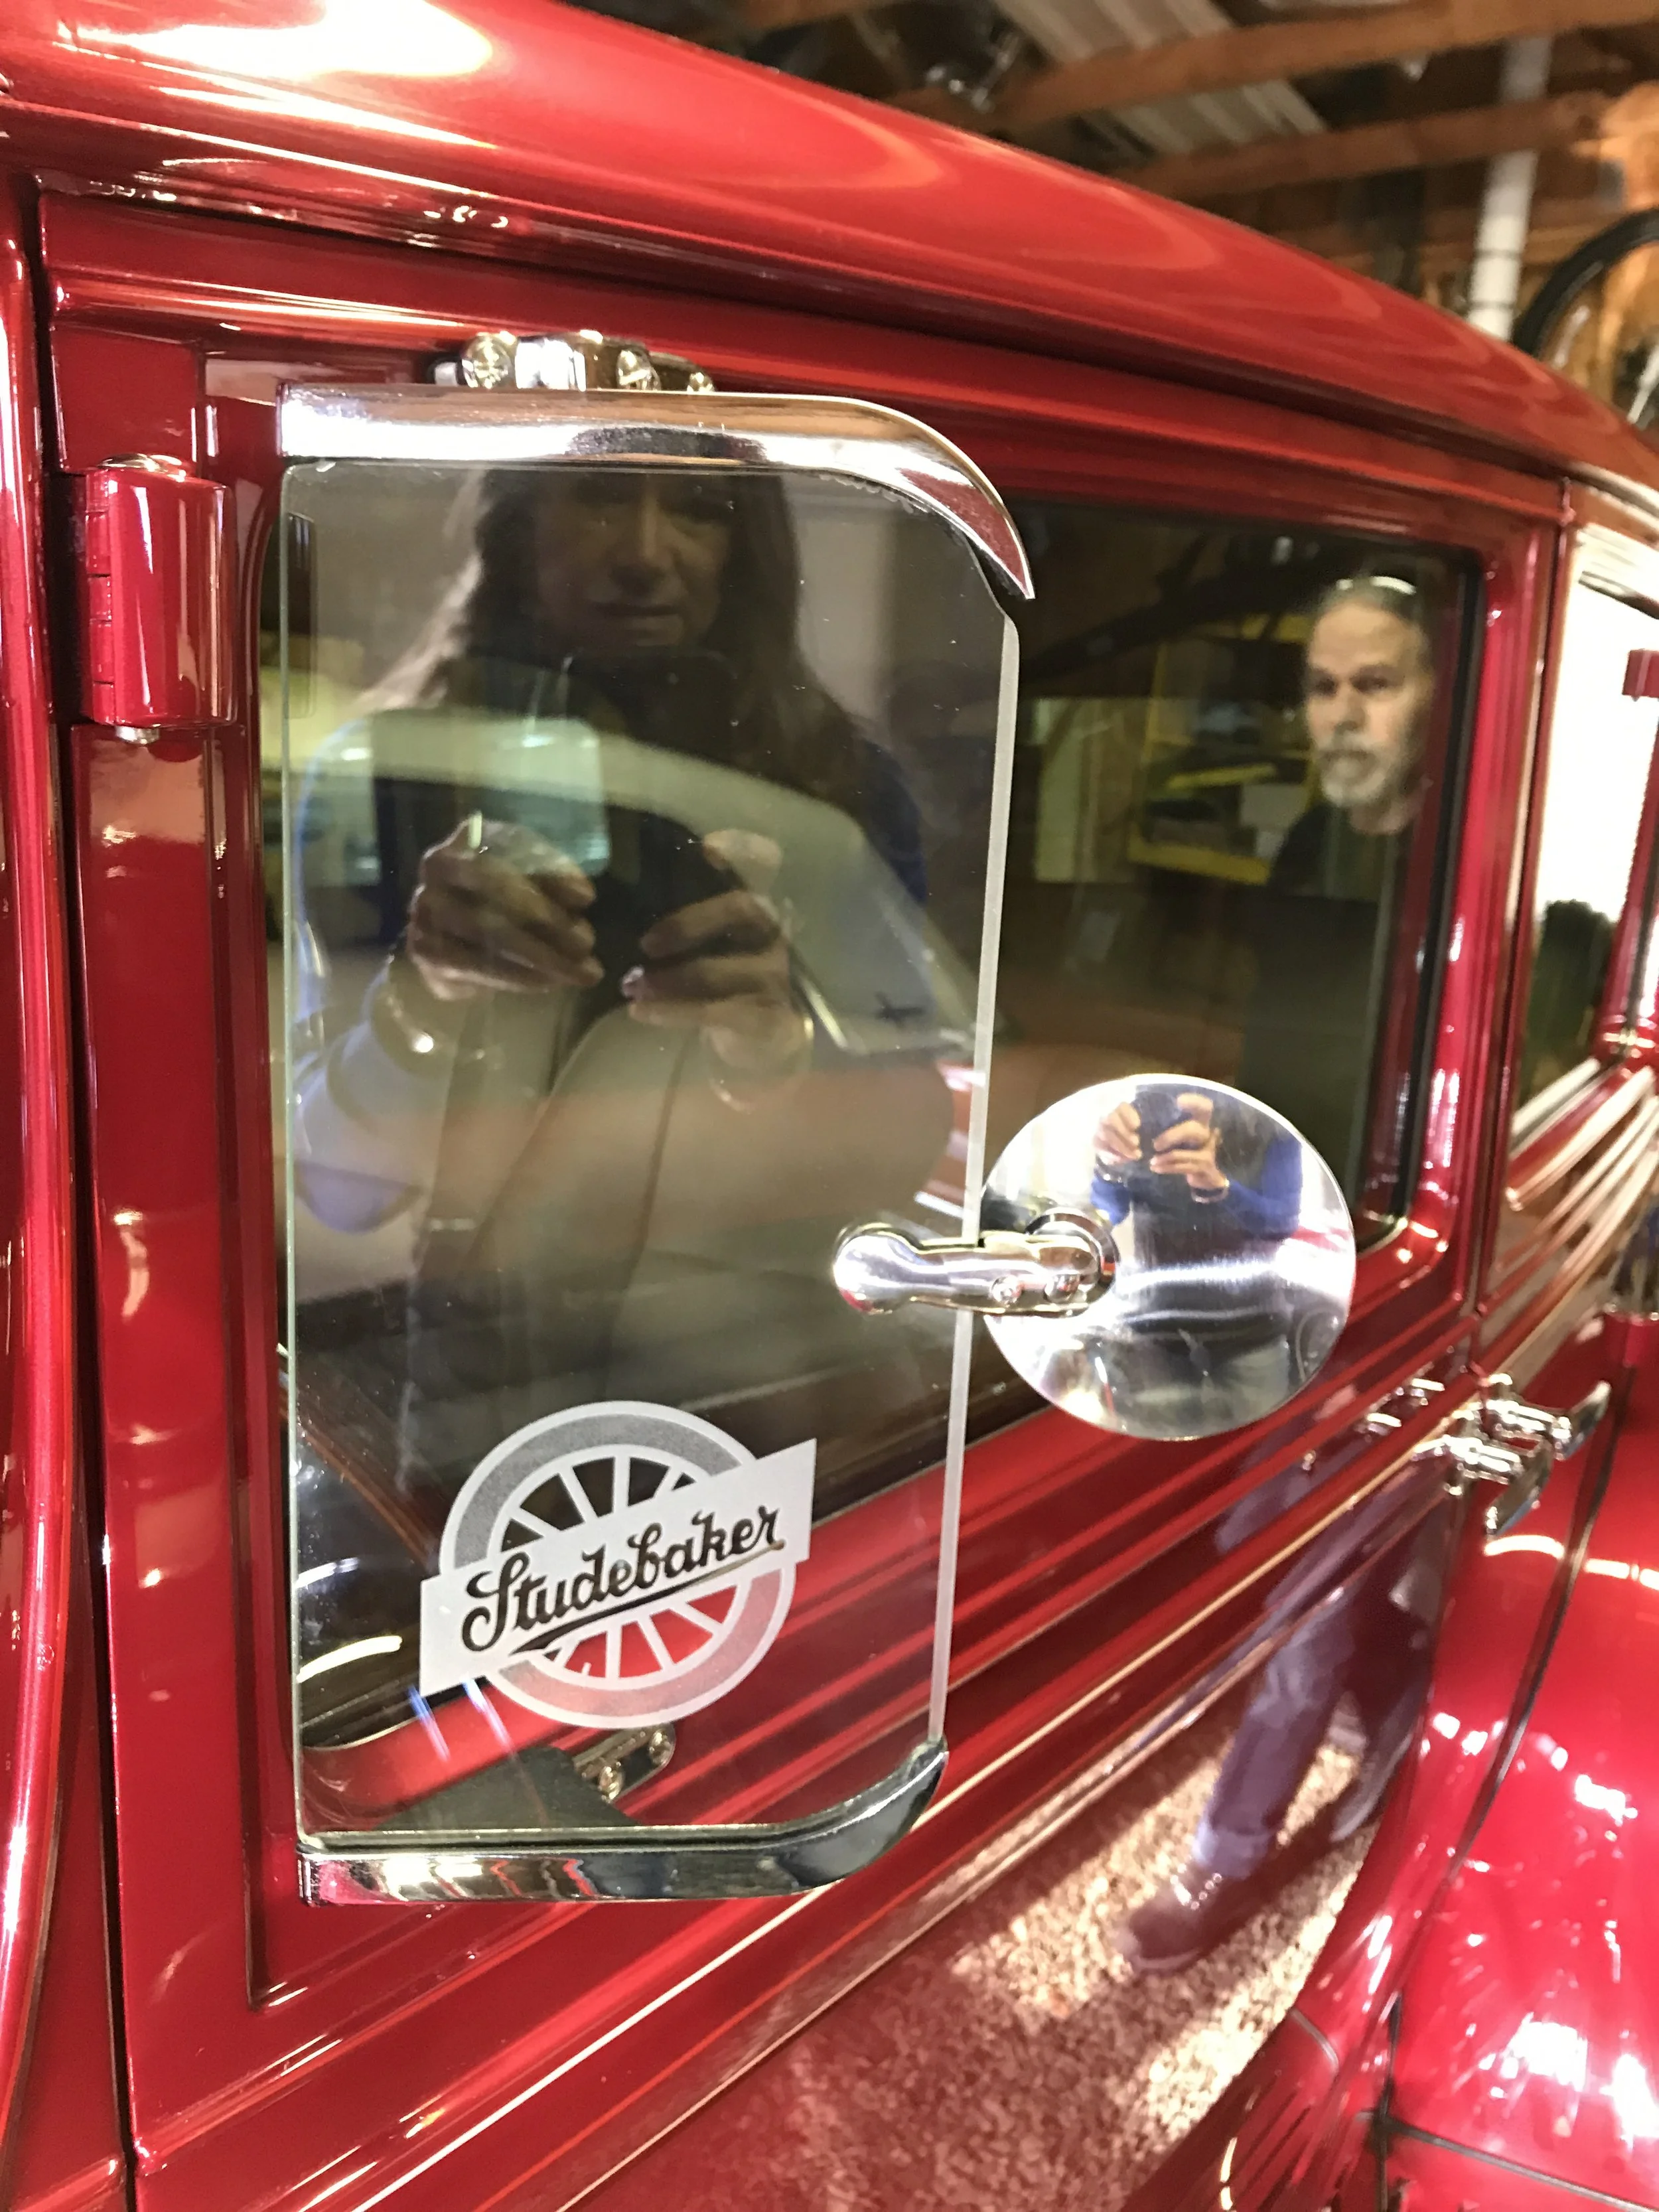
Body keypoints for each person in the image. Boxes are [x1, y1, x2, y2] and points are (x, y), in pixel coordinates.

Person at [287, 464, 954, 1543]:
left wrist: (772, 1055)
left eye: (698, 507)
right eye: (599, 496)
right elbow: (336, 1187)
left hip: (766, 1365)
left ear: (749, 548)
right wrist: (426, 997)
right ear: (517, 523)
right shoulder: (387, 768)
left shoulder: (838, 787)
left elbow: (910, 1139)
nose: (646, 551)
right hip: (484, 1369)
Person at [1114, 575, 1443, 1976]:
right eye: (1321, 686)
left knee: (1300, 1589)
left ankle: (1222, 1859)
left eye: (1375, 683)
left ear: (1441, 694)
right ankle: (1411, 1689)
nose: (1341, 713)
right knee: (1256, 1543)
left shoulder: (1473, 874)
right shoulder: (1316, 846)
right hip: (1278, 1264)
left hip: (1396, 1296)